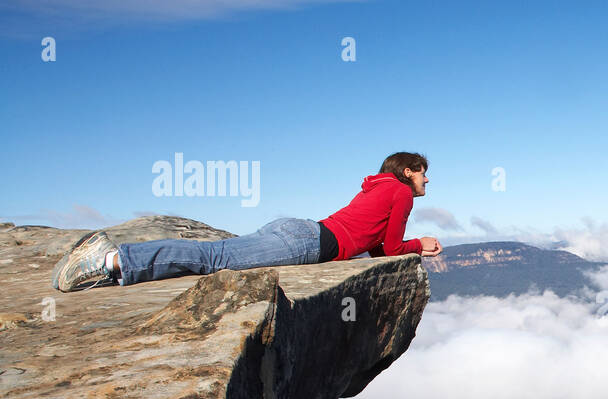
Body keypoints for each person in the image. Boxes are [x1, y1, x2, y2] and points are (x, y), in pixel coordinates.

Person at [51, 151, 443, 292]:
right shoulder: (400, 192)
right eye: (423, 172)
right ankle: (111, 259)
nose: (427, 180)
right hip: (307, 243)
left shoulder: (380, 189)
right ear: (408, 171)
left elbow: (374, 246)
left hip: (301, 232)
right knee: (214, 258)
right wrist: (419, 244)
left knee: (219, 258)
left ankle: (113, 273)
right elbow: (390, 248)